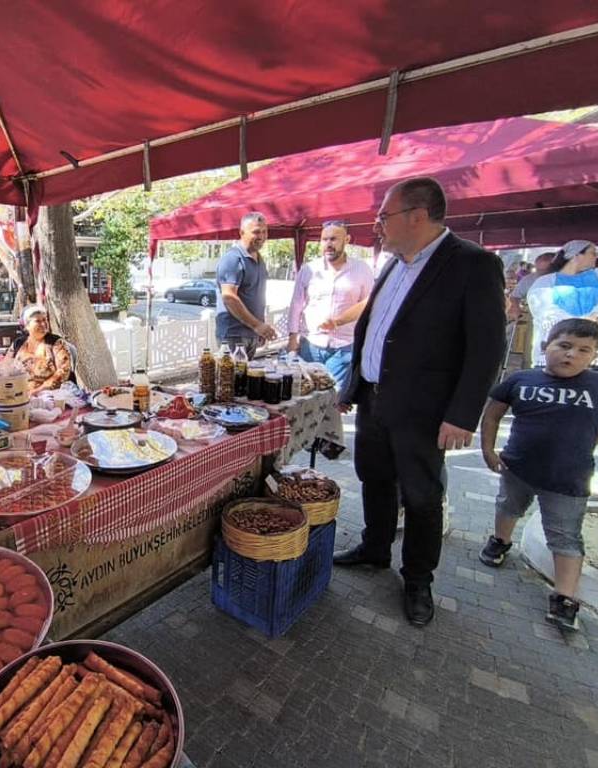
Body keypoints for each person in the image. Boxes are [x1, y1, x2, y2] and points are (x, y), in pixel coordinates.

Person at [333, 177, 506, 627]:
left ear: (417, 215)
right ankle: (375, 547)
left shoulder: (473, 264)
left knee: (422, 496)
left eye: (384, 216)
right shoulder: (393, 264)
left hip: (426, 411)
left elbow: (487, 348)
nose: (377, 225)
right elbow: (374, 329)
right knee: (374, 477)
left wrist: (462, 415)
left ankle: (417, 579)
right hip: (375, 400)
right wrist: (354, 387)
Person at [479, 319, 598, 631]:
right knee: (508, 506)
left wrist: (592, 439)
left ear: (594, 356)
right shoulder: (522, 379)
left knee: (565, 535)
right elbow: (493, 413)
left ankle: (564, 596)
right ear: (544, 346)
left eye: (583, 350)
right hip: (517, 467)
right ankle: (500, 541)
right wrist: (488, 450)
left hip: (568, 479)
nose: (571, 355)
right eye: (564, 346)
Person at [286, 220, 374, 391]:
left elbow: (368, 304)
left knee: (333, 400)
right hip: (311, 345)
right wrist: (292, 339)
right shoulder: (309, 269)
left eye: (333, 239)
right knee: (305, 396)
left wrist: (339, 322)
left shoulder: (362, 269)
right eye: (324, 239)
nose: (328, 244)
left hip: (344, 348)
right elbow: (296, 306)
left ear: (347, 240)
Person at [526, 240, 598, 367]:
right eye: (592, 253)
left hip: (594, 353)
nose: (597, 256)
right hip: (555, 351)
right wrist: (584, 320)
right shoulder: (545, 283)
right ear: (576, 255)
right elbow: (544, 313)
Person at [214, 212, 278, 359]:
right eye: (256, 232)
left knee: (246, 381)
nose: (261, 236)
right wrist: (257, 325)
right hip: (233, 335)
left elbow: (255, 297)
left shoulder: (259, 259)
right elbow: (229, 297)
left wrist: (259, 328)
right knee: (232, 381)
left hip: (251, 334)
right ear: (242, 232)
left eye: (264, 231)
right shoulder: (233, 258)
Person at [5, 305, 74, 394]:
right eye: (38, 321)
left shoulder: (56, 342)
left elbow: (63, 371)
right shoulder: (18, 343)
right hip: (18, 392)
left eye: (45, 320)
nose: (43, 324)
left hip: (47, 394)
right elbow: (6, 366)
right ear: (27, 326)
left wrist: (36, 391)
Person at [508, 251, 554, 321]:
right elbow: (514, 296)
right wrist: (516, 308)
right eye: (538, 270)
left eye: (545, 271)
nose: (540, 274)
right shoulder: (529, 279)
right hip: (535, 317)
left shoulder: (565, 278)